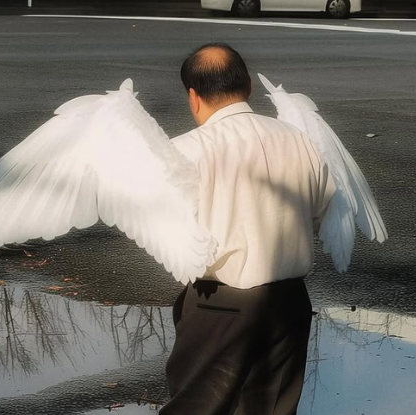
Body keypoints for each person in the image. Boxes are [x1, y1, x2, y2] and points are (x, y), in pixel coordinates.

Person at [160, 43, 336, 415]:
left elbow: (171, 229)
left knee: (197, 407)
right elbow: (321, 211)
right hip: (289, 303)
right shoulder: (301, 140)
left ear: (194, 97)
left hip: (220, 305)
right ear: (250, 87)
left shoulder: (186, 151)